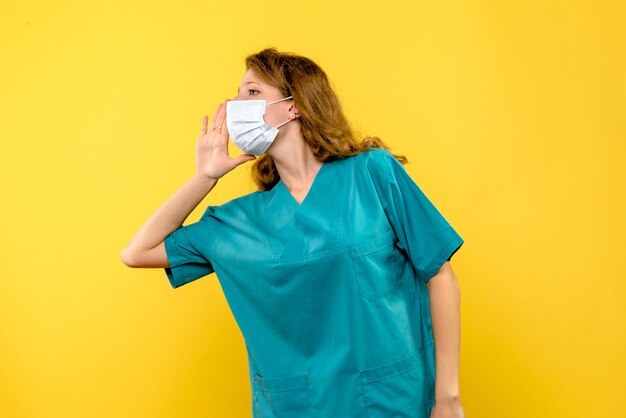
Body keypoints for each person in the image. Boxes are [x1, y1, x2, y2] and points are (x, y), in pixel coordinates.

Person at [121, 47, 466, 418]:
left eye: (251, 92)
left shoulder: (371, 174)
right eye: (236, 94)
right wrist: (205, 176)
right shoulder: (239, 222)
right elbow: (138, 252)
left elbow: (440, 273)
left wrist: (448, 397)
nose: (234, 105)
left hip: (391, 400)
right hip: (297, 407)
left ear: (294, 105)